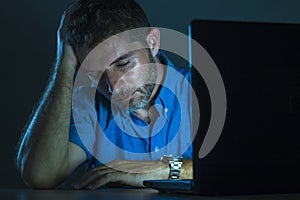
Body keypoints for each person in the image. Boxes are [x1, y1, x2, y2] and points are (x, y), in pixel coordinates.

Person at [16, 0, 193, 190]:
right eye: (94, 74)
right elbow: (40, 176)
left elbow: (229, 167)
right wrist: (64, 66)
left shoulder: (199, 90)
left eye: (123, 64)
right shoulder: (88, 104)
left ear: (152, 42)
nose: (114, 87)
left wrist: (165, 169)